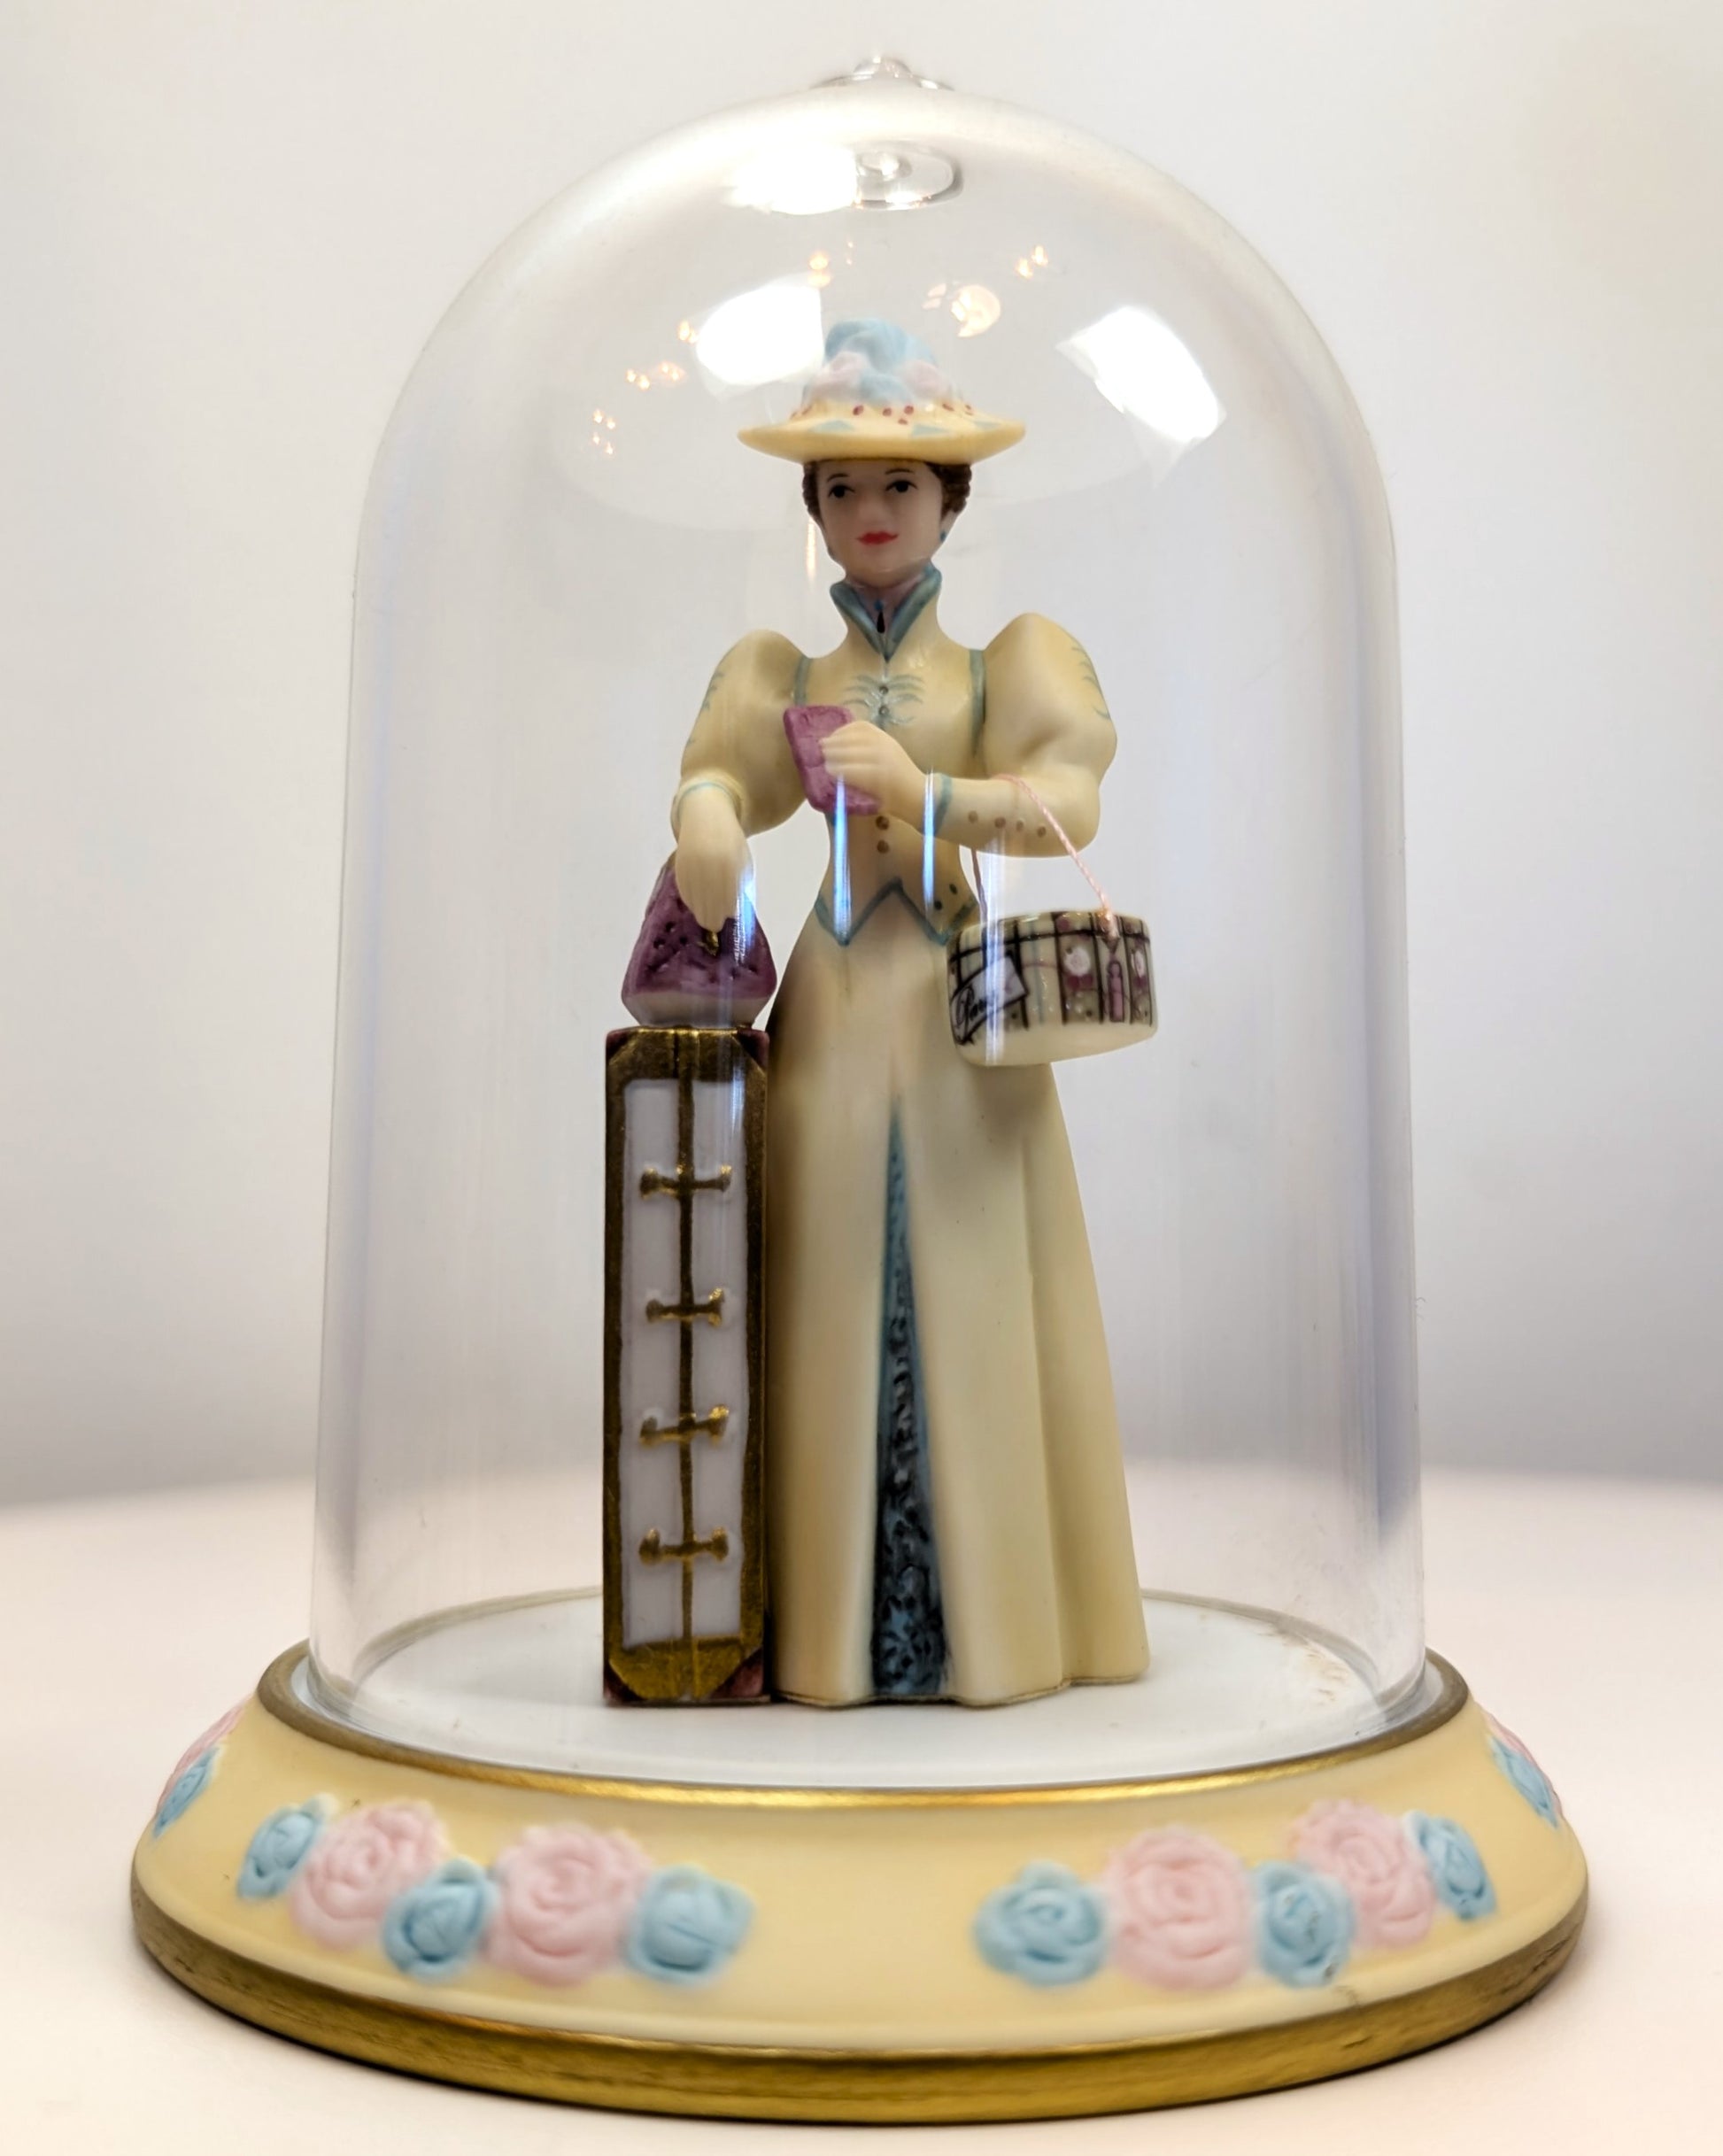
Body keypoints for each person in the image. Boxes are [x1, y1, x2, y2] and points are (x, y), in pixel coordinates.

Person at [671, 321, 1148, 1706]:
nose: (869, 512)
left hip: (956, 1012)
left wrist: (925, 793)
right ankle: (826, 1626)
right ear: (813, 511)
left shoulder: (998, 666)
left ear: (948, 500)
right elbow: (727, 778)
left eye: (898, 485)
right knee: (826, 1283)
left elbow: (1069, 804)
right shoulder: (786, 672)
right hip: (831, 1008)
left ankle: (992, 1623)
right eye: (840, 489)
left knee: (974, 1276)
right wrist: (709, 814)